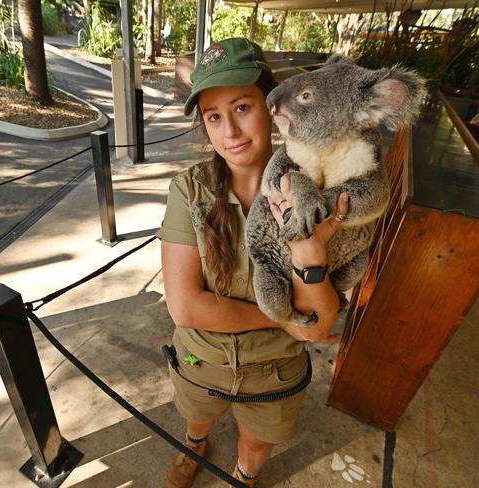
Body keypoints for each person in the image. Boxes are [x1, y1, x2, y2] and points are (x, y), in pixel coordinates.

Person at [156, 38, 350, 487]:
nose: (230, 132)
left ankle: (243, 475)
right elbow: (186, 308)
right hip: (200, 358)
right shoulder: (189, 190)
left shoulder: (318, 190)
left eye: (242, 107)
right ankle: (194, 446)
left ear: (272, 107)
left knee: (259, 440)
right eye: (213, 117)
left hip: (275, 371)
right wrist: (283, 322)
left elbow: (319, 322)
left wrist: (308, 257)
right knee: (197, 417)